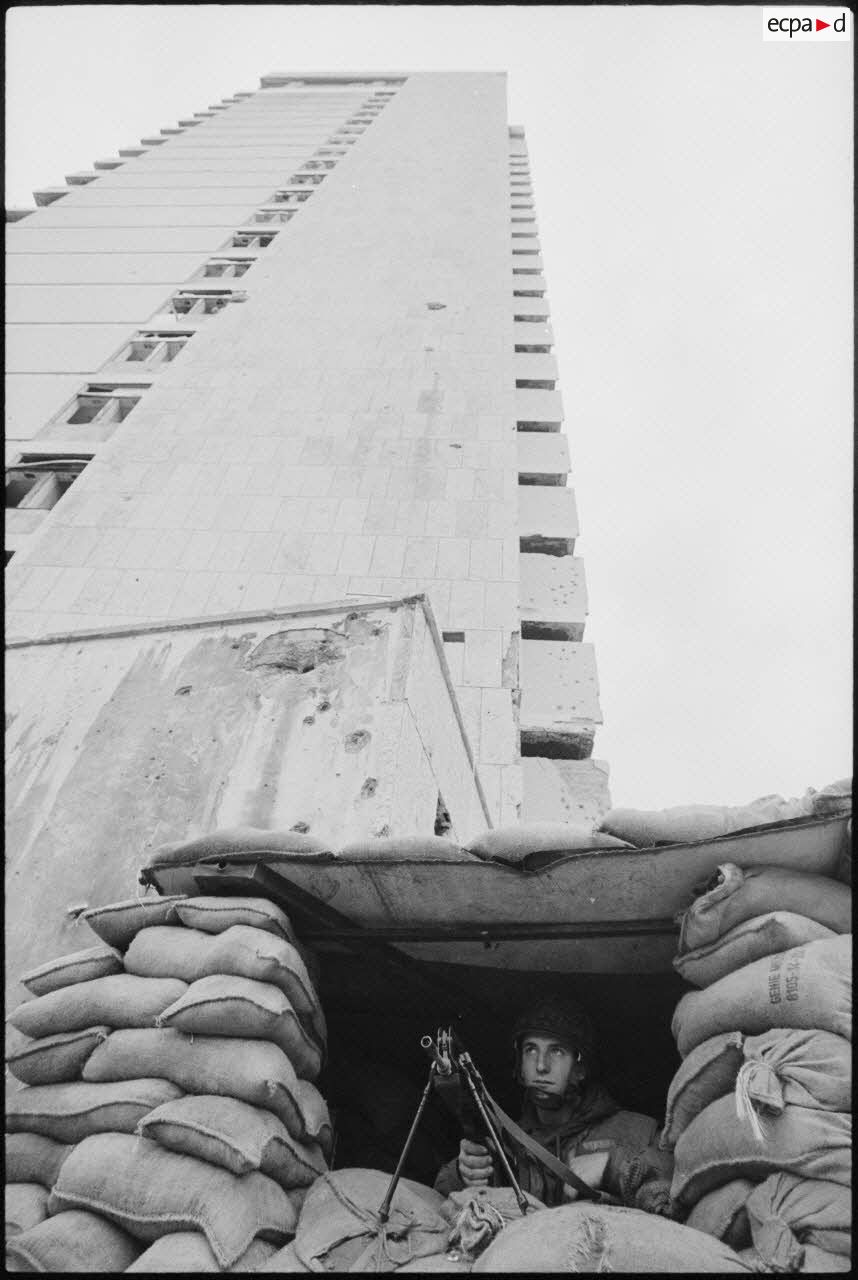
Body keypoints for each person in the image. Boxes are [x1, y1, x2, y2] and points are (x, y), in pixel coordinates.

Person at [433, 997, 673, 1210]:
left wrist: (612, 1166)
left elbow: (678, 1176)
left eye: (556, 1051)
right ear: (520, 1065)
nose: (541, 1066)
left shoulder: (635, 1130)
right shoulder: (505, 1141)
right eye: (530, 1050)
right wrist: (463, 1172)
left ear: (580, 1069)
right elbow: (439, 1190)